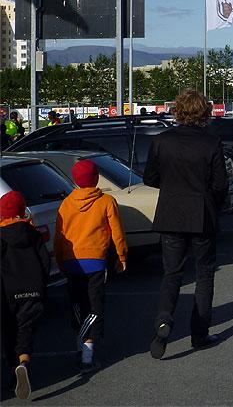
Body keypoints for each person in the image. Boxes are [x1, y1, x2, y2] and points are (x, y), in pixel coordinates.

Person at [144, 90, 227, 359]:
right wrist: (211, 203)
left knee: (172, 274)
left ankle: (163, 321)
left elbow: (149, 178)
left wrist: (172, 188)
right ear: (205, 113)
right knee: (204, 275)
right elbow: (220, 185)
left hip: (171, 214)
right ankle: (199, 334)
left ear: (177, 111)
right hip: (202, 214)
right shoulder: (211, 143)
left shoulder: (161, 141)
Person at [54, 160, 128, 374]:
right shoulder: (106, 201)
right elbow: (117, 232)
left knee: (77, 304)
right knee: (95, 306)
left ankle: (80, 347)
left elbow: (60, 236)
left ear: (75, 179)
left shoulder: (66, 203)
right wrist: (121, 256)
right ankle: (87, 355)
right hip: (95, 261)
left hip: (71, 261)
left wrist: (60, 260)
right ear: (96, 178)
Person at [0, 191, 49, 400]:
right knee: (26, 328)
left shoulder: (1, 236)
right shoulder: (34, 234)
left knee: (9, 330)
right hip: (32, 290)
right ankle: (24, 361)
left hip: (7, 292)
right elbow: (45, 263)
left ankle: (14, 370)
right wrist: (42, 286)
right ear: (22, 210)